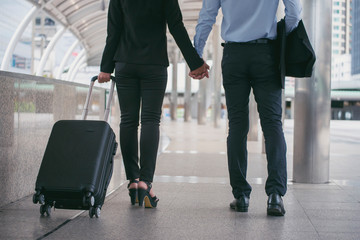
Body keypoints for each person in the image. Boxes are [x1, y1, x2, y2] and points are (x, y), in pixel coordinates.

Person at [192, 0, 302, 216]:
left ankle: (241, 195)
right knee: (272, 125)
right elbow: (294, 14)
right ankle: (275, 196)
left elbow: (207, 17)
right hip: (267, 54)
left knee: (237, 126)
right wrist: (280, 39)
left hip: (234, 56)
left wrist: (196, 55)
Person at [98, 0, 209, 208]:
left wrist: (106, 67)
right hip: (154, 64)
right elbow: (176, 27)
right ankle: (146, 183)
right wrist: (195, 63)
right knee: (150, 120)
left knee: (128, 121)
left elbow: (113, 31)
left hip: (125, 63)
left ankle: (132, 181)